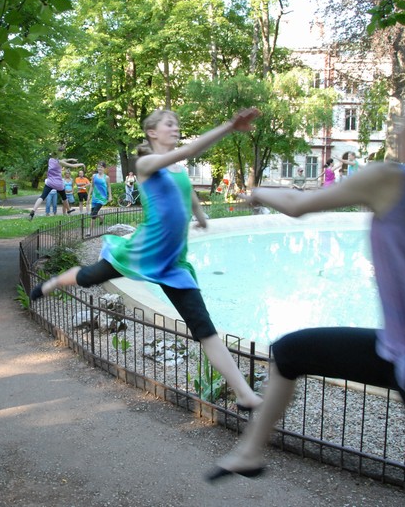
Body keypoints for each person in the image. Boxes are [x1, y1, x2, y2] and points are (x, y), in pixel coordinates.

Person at [208, 78, 405, 507]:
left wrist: (255, 191)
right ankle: (249, 452)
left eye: (403, 119)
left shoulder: (389, 178)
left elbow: (296, 205)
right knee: (291, 352)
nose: (398, 128)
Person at [30, 108, 264, 413]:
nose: (175, 128)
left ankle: (245, 395)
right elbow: (191, 150)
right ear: (152, 132)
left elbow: (188, 193)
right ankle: (52, 283)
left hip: (173, 263)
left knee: (204, 328)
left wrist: (201, 216)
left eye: (177, 124)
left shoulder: (178, 170)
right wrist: (229, 126)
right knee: (89, 276)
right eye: (169, 124)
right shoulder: (145, 164)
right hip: (142, 252)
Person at [28, 146, 84, 220]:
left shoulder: (50, 160)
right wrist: (81, 164)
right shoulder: (60, 162)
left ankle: (33, 211)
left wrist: (71, 159)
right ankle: (68, 211)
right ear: (60, 153)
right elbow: (72, 165)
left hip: (50, 182)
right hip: (58, 184)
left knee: (42, 196)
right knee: (64, 197)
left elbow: (64, 160)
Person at [86, 161, 111, 236]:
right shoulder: (94, 176)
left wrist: (110, 196)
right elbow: (92, 186)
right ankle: (101, 218)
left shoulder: (106, 177)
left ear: (104, 168)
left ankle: (89, 231)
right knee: (93, 214)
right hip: (94, 197)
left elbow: (109, 187)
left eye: (101, 167)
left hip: (102, 198)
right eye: (98, 167)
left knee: (93, 214)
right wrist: (89, 196)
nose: (99, 168)